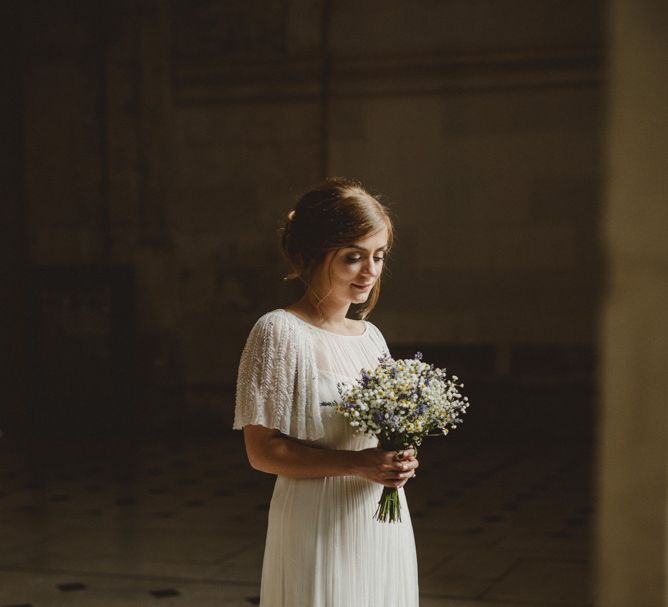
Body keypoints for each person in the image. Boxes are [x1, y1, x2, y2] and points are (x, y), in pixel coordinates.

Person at [233, 177, 420, 607]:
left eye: (378, 256)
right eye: (353, 257)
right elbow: (262, 453)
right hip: (317, 520)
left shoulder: (371, 337)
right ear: (315, 256)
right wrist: (358, 464)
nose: (370, 271)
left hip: (380, 521)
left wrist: (401, 456)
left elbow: (385, 432)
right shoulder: (278, 332)